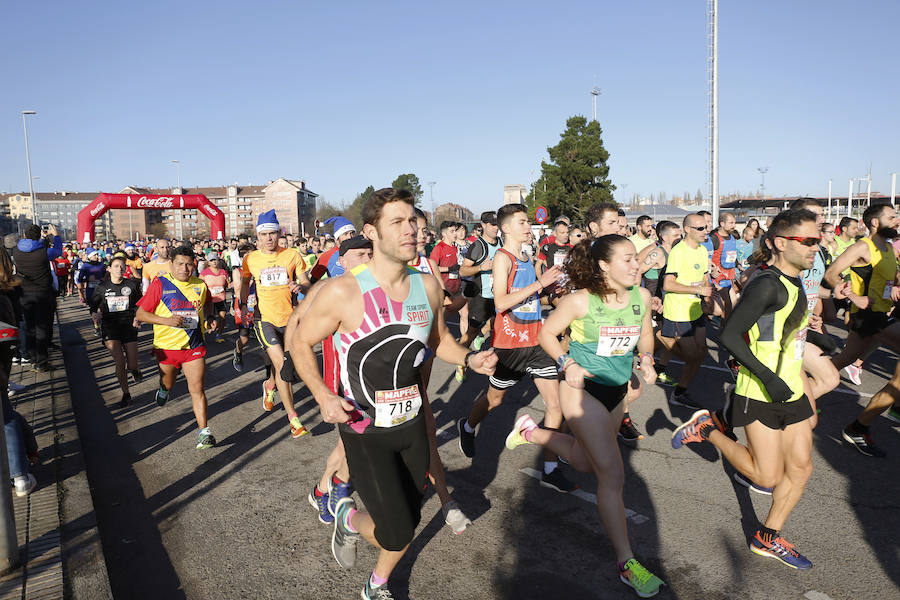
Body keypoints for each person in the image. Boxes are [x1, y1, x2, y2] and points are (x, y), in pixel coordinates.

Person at [290, 188, 497, 599]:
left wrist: (469, 359)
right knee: (398, 527)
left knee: (411, 512)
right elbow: (299, 343)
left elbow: (437, 341)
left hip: (413, 420)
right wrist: (322, 395)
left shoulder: (429, 287)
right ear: (372, 232)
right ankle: (347, 517)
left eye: (414, 222)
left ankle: (376, 581)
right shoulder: (343, 291)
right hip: (364, 426)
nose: (411, 230)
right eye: (397, 223)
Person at [505, 235, 665, 597]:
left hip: (616, 391)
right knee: (612, 473)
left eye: (635, 259)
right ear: (604, 266)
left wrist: (648, 359)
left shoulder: (639, 297)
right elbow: (547, 332)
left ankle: (530, 432)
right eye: (627, 260)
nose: (636, 265)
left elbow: (644, 334)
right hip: (582, 391)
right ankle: (627, 563)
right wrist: (567, 361)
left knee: (582, 460)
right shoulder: (580, 301)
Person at [671, 209, 820, 571]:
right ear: (781, 243)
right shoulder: (767, 282)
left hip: (791, 388)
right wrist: (769, 378)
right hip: (760, 390)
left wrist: (815, 335)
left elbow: (775, 328)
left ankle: (767, 537)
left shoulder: (794, 279)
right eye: (810, 241)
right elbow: (732, 335)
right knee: (766, 477)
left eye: (819, 238)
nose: (817, 246)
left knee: (801, 470)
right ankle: (707, 429)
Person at [457, 203, 576, 492]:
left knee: (555, 404)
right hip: (510, 345)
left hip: (536, 341)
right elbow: (500, 303)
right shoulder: (503, 258)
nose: (528, 227)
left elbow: (531, 299)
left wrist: (551, 291)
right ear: (506, 227)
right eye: (522, 222)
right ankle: (468, 426)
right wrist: (539, 285)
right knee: (494, 400)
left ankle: (549, 468)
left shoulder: (528, 255)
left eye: (528, 222)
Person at [824, 203, 900, 456]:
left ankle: (797, 390)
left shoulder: (888, 248)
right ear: (875, 223)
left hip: (880, 314)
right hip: (868, 316)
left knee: (841, 361)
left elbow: (890, 280)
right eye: (892, 217)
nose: (897, 220)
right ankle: (859, 428)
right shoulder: (862, 247)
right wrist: (854, 298)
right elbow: (832, 273)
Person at [136, 245, 218, 450]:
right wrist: (166, 321)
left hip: (194, 346)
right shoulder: (160, 284)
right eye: (180, 264)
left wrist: (210, 316)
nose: (184, 268)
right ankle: (163, 389)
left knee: (197, 388)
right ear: (171, 264)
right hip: (167, 348)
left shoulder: (200, 284)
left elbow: (208, 302)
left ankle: (204, 432)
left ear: (195, 265)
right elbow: (141, 314)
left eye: (189, 264)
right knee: (169, 383)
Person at [240, 210, 311, 438]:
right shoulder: (250, 259)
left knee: (287, 366)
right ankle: (293, 418)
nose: (269, 238)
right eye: (264, 234)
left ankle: (269, 385)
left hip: (290, 320)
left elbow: (307, 283)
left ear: (279, 234)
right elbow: (244, 281)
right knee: (282, 365)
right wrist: (242, 304)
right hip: (265, 319)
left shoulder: (292, 255)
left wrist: (301, 288)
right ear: (257, 236)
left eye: (273, 234)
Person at [656, 214, 710, 409]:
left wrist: (708, 295)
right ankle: (662, 336)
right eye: (701, 228)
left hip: (696, 309)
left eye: (706, 227)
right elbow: (668, 284)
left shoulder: (703, 251)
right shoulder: (679, 252)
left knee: (701, 353)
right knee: (692, 356)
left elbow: (704, 276)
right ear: (687, 229)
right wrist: (699, 290)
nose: (706, 232)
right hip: (679, 311)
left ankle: (680, 392)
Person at [0, 246, 36, 496]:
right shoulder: (9, 291)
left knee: (7, 415)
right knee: (8, 415)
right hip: (5, 355)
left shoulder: (7, 292)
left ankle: (19, 473)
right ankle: (19, 473)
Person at [89, 254, 142, 407]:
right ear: (109, 269)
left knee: (132, 365)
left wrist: (137, 317)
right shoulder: (102, 287)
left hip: (129, 327)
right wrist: (95, 314)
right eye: (116, 266)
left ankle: (135, 371)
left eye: (121, 266)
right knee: (120, 362)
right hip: (110, 327)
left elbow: (139, 304)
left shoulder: (131, 285)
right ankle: (126, 394)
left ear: (125, 268)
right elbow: (93, 306)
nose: (119, 269)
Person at [456, 211, 502, 382]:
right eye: (492, 224)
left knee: (499, 324)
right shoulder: (478, 246)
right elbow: (463, 270)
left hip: (499, 294)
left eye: (497, 224)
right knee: (470, 332)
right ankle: (460, 361)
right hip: (482, 296)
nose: (495, 228)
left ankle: (484, 338)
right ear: (483, 225)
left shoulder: (502, 242)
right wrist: (481, 267)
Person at [14, 224, 62, 372]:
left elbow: (31, 247)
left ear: (24, 236)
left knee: (29, 327)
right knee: (42, 327)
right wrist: (56, 236)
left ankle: (32, 357)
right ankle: (42, 362)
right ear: (39, 236)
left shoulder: (16, 252)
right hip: (43, 294)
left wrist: (41, 239)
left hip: (24, 294)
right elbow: (58, 251)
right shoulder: (44, 252)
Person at [230, 243, 262, 373]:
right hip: (244, 304)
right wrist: (248, 281)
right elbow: (238, 292)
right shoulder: (237, 271)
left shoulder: (260, 267)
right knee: (245, 337)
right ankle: (238, 352)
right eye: (248, 256)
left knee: (264, 334)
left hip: (259, 303)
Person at [309, 216, 356, 282]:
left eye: (352, 233)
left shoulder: (362, 251)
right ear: (337, 237)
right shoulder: (327, 255)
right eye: (345, 234)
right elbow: (312, 282)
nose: (349, 237)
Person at [200, 258, 229, 343]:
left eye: (216, 260)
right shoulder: (204, 273)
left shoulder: (223, 272)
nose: (214, 262)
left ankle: (219, 334)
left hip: (221, 298)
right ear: (208, 262)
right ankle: (207, 328)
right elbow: (200, 285)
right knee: (211, 319)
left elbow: (227, 284)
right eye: (212, 260)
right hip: (210, 300)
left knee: (223, 317)